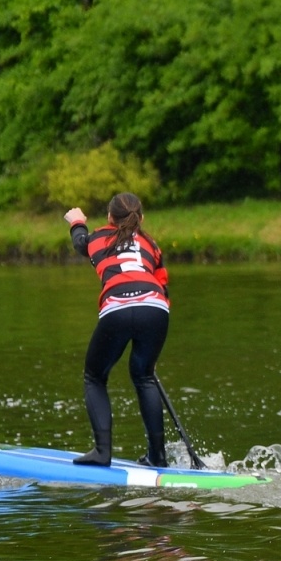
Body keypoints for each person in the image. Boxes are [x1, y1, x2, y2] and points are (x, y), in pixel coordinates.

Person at [63, 193, 172, 468]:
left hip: (118, 308)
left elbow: (80, 244)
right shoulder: (151, 244)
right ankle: (158, 457)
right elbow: (162, 283)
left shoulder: (99, 237)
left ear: (110, 218)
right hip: (156, 307)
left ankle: (102, 452)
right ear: (141, 219)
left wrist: (77, 222)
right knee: (144, 376)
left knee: (94, 377)